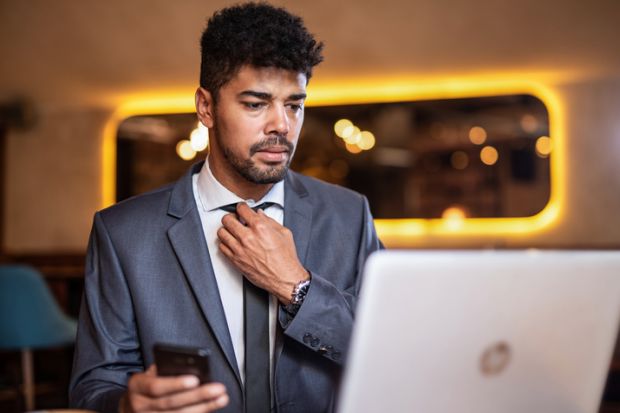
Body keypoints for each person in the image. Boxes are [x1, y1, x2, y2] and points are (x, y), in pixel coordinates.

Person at [69, 3, 382, 413]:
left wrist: (298, 288)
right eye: (256, 104)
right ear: (206, 107)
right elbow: (93, 385)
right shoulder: (123, 233)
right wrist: (127, 405)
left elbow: (388, 353)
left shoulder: (349, 214)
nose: (282, 126)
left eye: (294, 104)